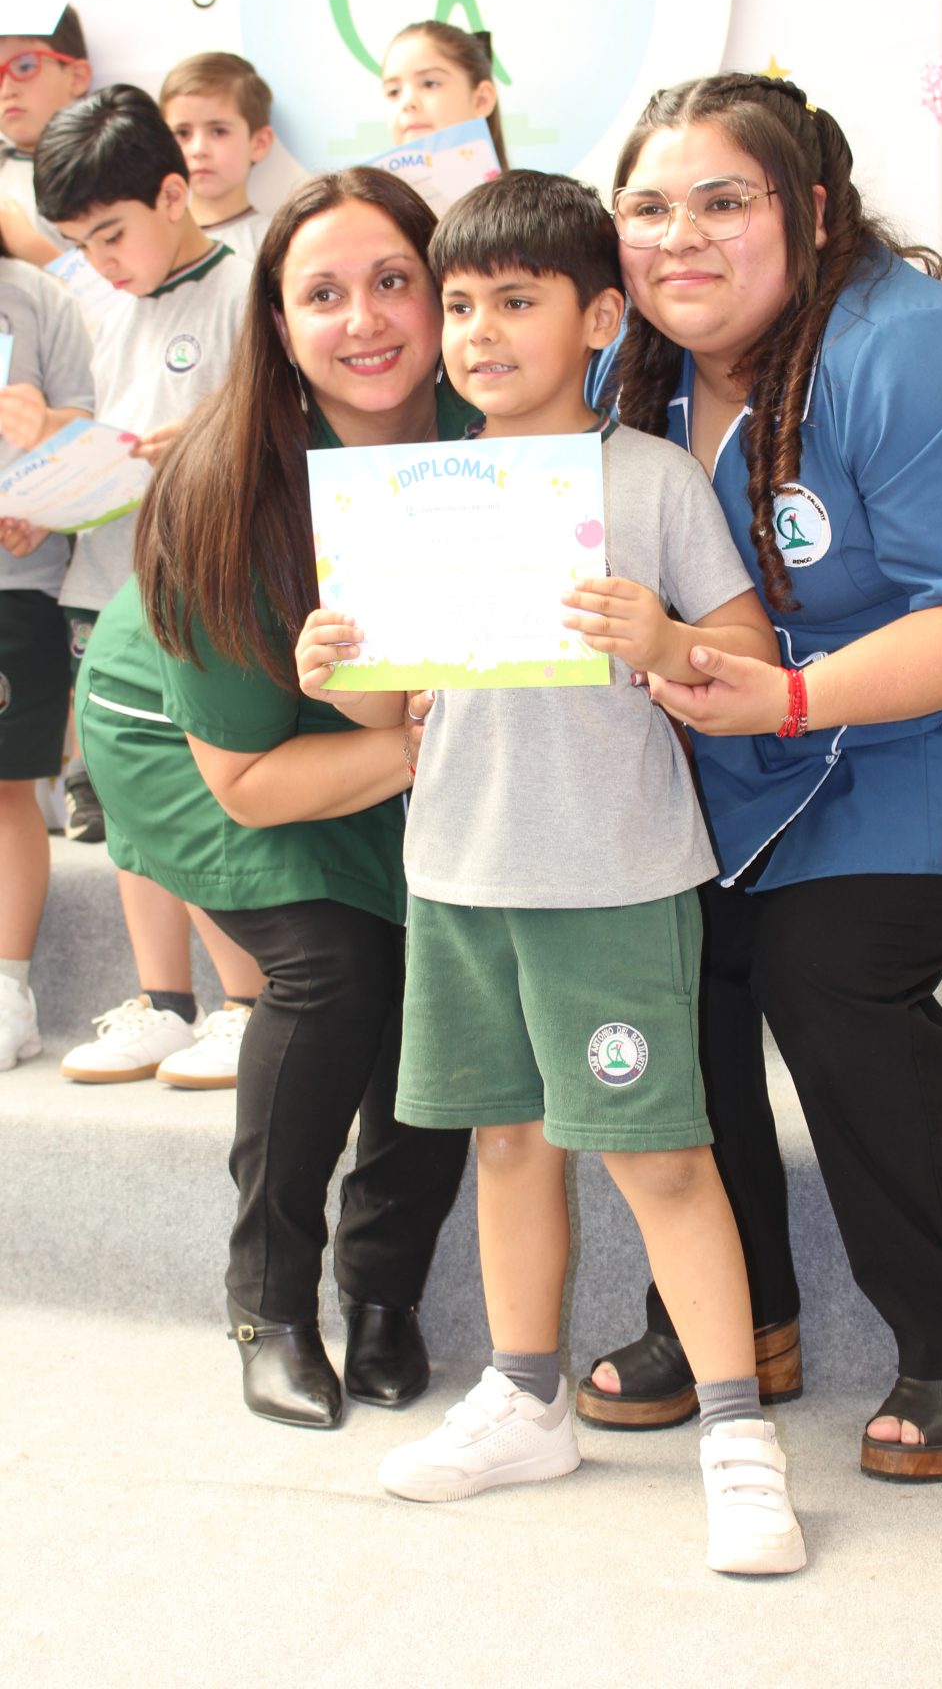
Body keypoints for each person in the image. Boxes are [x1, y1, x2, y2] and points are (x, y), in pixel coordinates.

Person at [582, 72, 942, 1483]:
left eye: (726, 200)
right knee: (671, 937)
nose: (682, 237)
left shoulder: (903, 347)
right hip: (778, 730)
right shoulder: (632, 370)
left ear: (811, 211)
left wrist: (784, 695)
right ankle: (737, 1321)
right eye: (650, 207)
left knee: (828, 968)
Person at [299, 169, 805, 1575]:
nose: (476, 331)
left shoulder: (648, 478)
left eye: (516, 302)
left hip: (614, 877)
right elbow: (391, 712)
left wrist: (659, 640)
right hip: (459, 874)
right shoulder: (419, 493)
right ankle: (527, 1397)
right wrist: (330, 669)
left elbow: (751, 661)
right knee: (506, 1139)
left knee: (659, 1159)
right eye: (457, 303)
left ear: (597, 315)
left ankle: (733, 1433)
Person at [75, 166, 474, 1427]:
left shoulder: (496, 431)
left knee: (445, 968)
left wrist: (440, 726)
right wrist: (434, 740)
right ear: (280, 325)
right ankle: (268, 1304)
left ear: (443, 291)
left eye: (393, 280)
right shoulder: (222, 487)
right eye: (323, 293)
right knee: (342, 970)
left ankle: (387, 1296)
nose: (364, 319)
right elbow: (246, 782)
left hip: (392, 723)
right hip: (208, 741)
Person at [30, 82, 263, 1087]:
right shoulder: (87, 302)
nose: (100, 261)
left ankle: (247, 1003)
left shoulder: (250, 290)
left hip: (201, 600)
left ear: (175, 195)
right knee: (120, 800)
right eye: (79, 243)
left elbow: (275, 443)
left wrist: (202, 448)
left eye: (113, 234)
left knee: (198, 798)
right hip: (98, 584)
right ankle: (163, 1001)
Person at [0, 227, 94, 1069]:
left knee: (2, 791)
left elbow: (90, 438)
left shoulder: (38, 299)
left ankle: (7, 992)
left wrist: (42, 489)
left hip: (13, 583)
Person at [160, 52, 276, 261]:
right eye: (183, 133)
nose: (198, 149)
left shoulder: (276, 243)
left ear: (259, 143)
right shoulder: (154, 238)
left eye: (218, 131)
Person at [0, 1, 91, 266]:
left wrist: (28, 246)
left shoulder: (103, 170)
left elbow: (115, 299)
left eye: (25, 67)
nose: (7, 90)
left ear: (77, 77)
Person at [381, 20, 508, 166]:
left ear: (481, 100)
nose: (408, 103)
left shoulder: (527, 188)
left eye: (430, 84)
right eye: (393, 92)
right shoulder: (364, 187)